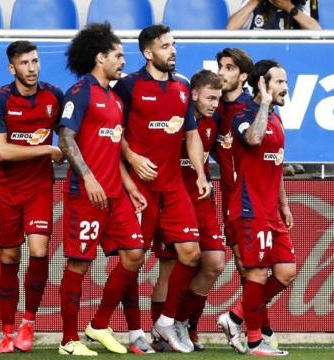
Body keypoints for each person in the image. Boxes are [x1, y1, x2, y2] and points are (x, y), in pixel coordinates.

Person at [56, 23, 153, 356]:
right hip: (87, 195)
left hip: (115, 195)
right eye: (118, 55)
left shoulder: (114, 98)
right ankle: (68, 341)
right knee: (79, 264)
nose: (123, 62)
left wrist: (128, 186)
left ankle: (98, 324)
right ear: (100, 57)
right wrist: (88, 178)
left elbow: (114, 148)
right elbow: (65, 138)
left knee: (135, 254)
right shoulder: (80, 92)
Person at [113, 24, 211, 353]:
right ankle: (134, 330)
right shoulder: (128, 86)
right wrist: (131, 156)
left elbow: (191, 135)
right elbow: (114, 129)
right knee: (134, 259)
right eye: (165, 46)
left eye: (174, 44)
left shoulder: (183, 87)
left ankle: (166, 321)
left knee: (190, 253)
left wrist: (199, 172)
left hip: (173, 188)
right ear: (147, 52)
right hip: (139, 188)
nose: (173, 50)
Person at [0, 40, 64, 353]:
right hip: (6, 190)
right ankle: (6, 331)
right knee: (9, 258)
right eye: (24, 63)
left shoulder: (53, 96)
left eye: (34, 61)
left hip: (39, 188)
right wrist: (47, 148)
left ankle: (28, 324)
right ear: (12, 68)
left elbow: (68, 132)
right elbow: (1, 151)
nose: (31, 68)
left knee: (40, 251)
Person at [228, 59, 296, 356]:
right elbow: (253, 139)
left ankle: (235, 317)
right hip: (249, 207)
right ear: (262, 84)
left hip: (271, 209)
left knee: (285, 272)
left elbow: (277, 164)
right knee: (256, 273)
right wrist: (264, 105)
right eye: (280, 81)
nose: (286, 87)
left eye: (285, 81)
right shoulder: (242, 113)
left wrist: (284, 203)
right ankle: (255, 341)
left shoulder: (277, 118)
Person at [167, 70, 226, 351]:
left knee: (214, 263)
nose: (215, 103)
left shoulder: (214, 122)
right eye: (210, 97)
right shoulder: (175, 120)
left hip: (203, 201)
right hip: (174, 201)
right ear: (194, 94)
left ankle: (183, 321)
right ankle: (162, 329)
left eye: (219, 98)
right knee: (170, 267)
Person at [227, 0, 321, 30]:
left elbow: (317, 32)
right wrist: (255, 2)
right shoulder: (253, 3)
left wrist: (289, 8)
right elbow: (230, 28)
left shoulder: (296, 6)